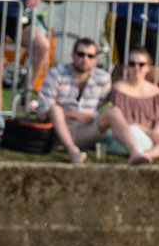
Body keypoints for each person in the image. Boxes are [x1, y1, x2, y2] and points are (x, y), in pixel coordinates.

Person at [100, 48, 159, 164]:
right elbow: (122, 121)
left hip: (155, 133)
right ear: (126, 67)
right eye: (132, 64)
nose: (136, 68)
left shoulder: (155, 91)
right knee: (134, 134)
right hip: (132, 132)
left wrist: (156, 132)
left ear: (148, 68)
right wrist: (149, 132)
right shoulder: (118, 89)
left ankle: (149, 154)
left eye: (141, 64)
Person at [38, 37, 111, 165]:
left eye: (90, 56)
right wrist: (72, 114)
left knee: (113, 112)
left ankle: (135, 152)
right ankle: (73, 151)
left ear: (95, 59)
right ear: (73, 55)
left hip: (88, 129)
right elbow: (43, 111)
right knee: (55, 109)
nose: (85, 59)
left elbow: (104, 107)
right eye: (81, 54)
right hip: (59, 131)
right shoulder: (56, 74)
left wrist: (95, 116)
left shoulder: (103, 78)